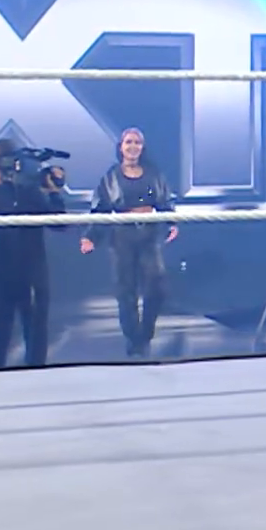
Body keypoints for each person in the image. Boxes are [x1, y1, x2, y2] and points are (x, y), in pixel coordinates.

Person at [80, 127, 178, 359]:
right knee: (126, 290)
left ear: (143, 147)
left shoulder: (154, 174)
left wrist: (172, 223)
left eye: (137, 142)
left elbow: (165, 202)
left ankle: (145, 333)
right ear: (121, 147)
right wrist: (91, 236)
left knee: (156, 285)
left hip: (148, 235)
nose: (133, 147)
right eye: (129, 142)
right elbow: (101, 209)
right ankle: (134, 339)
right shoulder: (111, 176)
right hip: (122, 235)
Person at [0, 138, 69, 368]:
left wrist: (53, 192)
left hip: (30, 274)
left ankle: (35, 375)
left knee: (35, 332)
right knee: (0, 331)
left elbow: (60, 223)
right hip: (5, 273)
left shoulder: (27, 194)